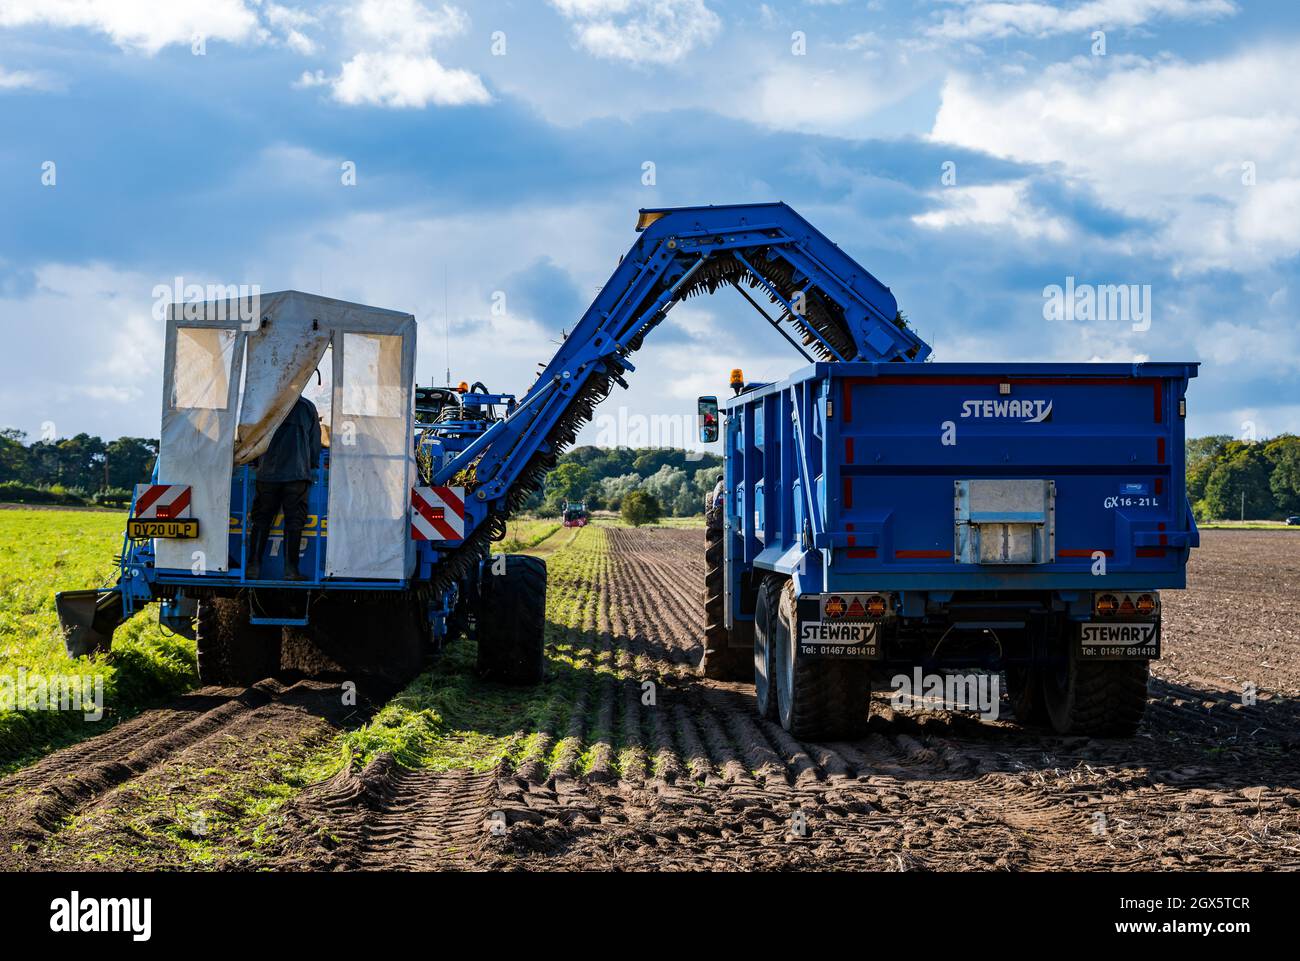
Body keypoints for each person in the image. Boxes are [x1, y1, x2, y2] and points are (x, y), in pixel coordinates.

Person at [246, 394, 322, 581]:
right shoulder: (307, 407)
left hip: (268, 474)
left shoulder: (265, 405)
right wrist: (309, 463)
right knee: (294, 522)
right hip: (297, 475)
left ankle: (253, 568)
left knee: (261, 520)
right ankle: (290, 570)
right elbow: (314, 446)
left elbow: (253, 439)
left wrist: (256, 462)